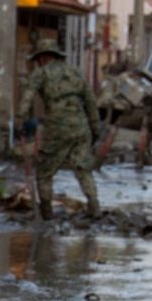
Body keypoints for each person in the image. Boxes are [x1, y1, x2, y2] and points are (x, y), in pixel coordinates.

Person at [17, 38, 102, 219]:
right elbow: (90, 100)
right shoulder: (75, 72)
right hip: (81, 125)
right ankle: (94, 206)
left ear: (42, 58)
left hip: (58, 127)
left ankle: (46, 213)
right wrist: (95, 126)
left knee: (45, 171)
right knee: (83, 169)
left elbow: (27, 97)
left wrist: (20, 121)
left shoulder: (41, 73)